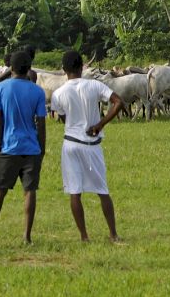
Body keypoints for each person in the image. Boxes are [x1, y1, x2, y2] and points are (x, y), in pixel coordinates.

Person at [50, 50, 124, 242]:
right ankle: (113, 234)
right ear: (82, 66)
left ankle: (84, 236)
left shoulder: (58, 93)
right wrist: (100, 124)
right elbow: (118, 102)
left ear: (64, 69)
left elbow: (62, 116)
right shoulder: (94, 85)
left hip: (71, 144)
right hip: (92, 144)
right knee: (102, 190)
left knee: (75, 191)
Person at [0, 50, 46, 243]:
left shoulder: (1, 89)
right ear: (29, 69)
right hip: (31, 148)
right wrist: (41, 149)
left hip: (8, 147)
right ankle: (26, 236)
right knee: (30, 192)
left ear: (11, 68)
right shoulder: (37, 91)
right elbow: (41, 124)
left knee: (0, 191)